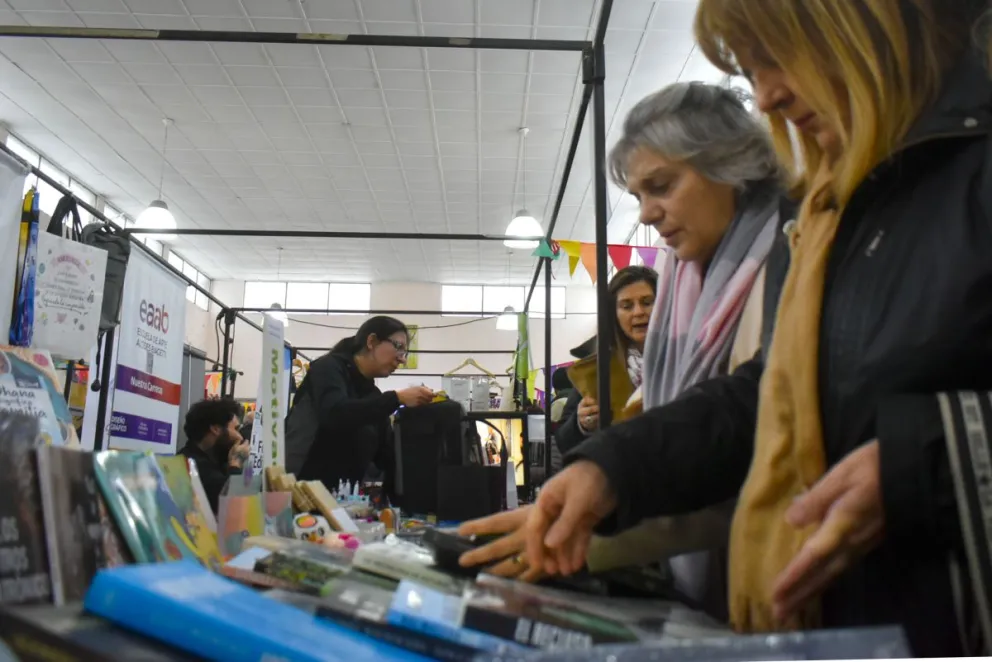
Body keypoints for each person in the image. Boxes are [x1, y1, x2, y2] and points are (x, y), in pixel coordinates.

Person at [490, 1, 991, 656]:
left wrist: (927, 461)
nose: (769, 94)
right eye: (751, 71)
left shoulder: (849, 211)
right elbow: (770, 397)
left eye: (778, 56)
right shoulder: (833, 210)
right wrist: (612, 468)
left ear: (864, 20)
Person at [461, 82, 786, 617]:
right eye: (638, 197)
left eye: (660, 186)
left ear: (731, 164)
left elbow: (761, 436)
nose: (647, 215)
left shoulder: (790, 265)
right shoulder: (688, 287)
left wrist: (605, 508)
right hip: (696, 572)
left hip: (777, 575)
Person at [293, 316, 433, 492]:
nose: (402, 359)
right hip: (301, 496)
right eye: (398, 347)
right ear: (372, 341)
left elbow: (386, 456)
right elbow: (335, 413)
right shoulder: (328, 368)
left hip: (342, 503)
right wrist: (396, 398)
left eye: (405, 353)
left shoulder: (372, 395)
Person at [553, 266, 658, 462]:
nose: (638, 312)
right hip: (620, 480)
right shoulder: (598, 368)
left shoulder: (682, 356)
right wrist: (582, 424)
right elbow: (563, 441)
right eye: (626, 306)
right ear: (614, 314)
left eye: (647, 302)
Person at [180, 398, 250, 513]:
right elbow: (233, 507)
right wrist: (236, 463)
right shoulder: (193, 465)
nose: (240, 437)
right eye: (236, 429)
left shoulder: (214, 460)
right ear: (216, 429)